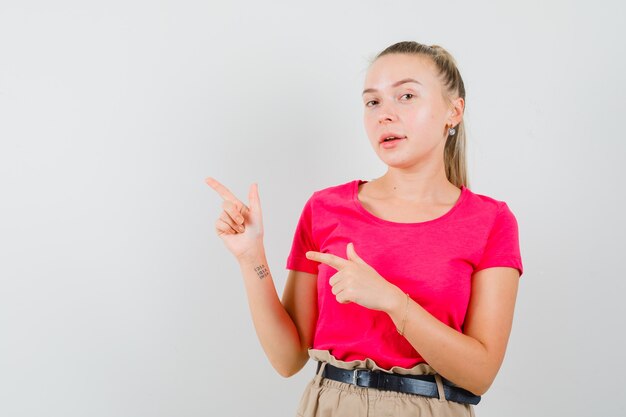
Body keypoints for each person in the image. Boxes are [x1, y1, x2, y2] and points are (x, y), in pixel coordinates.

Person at [205, 40, 523, 417]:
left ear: (453, 112)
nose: (384, 115)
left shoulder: (491, 221)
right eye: (373, 102)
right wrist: (250, 257)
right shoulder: (325, 208)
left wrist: (392, 300)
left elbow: (481, 374)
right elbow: (288, 359)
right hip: (331, 405)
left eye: (406, 96)